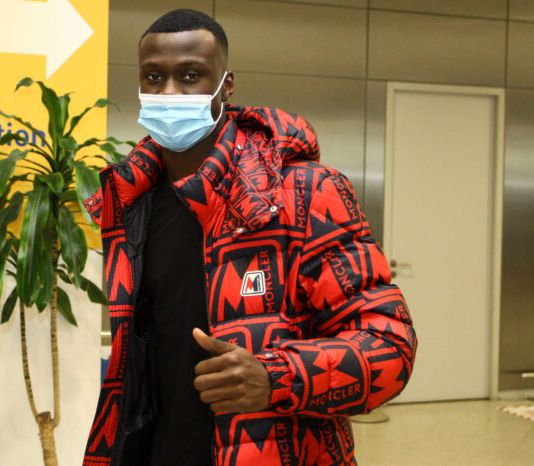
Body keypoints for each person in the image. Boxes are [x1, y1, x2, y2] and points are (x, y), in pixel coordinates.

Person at [83, 9, 416, 466]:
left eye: (191, 76)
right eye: (154, 77)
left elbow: (390, 346)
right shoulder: (132, 203)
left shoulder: (306, 194)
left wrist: (277, 377)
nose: (169, 93)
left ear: (226, 84)